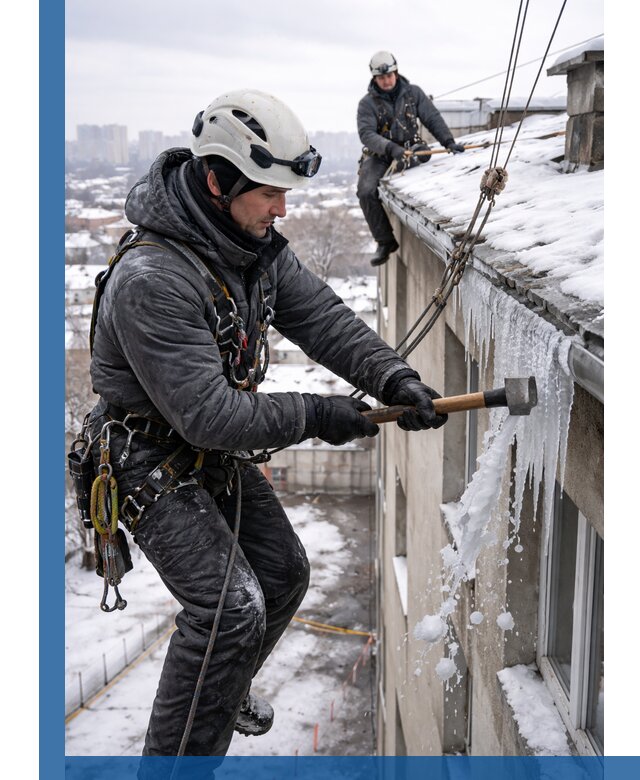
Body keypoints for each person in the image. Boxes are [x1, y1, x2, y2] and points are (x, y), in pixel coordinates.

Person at [87, 88, 447, 759]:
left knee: (281, 576)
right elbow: (211, 416)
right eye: (269, 194)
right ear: (218, 180)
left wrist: (393, 377)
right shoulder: (153, 279)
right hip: (145, 455)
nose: (283, 210)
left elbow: (321, 318)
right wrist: (317, 413)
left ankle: (222, 686)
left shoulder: (250, 247)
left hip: (201, 448)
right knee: (230, 608)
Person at [357, 51, 466, 267]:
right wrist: (390, 148)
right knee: (366, 191)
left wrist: (448, 142)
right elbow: (367, 135)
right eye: (381, 78)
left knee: (423, 162)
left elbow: (431, 117)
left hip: (410, 152)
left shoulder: (413, 94)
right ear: (374, 79)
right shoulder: (367, 104)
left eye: (389, 76)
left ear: (396, 73)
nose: (386, 81)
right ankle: (385, 242)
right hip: (380, 156)